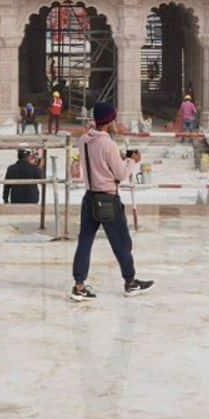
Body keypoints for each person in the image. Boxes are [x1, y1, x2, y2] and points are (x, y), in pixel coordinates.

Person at [70, 101, 154, 301]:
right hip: (107, 199)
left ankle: (79, 285)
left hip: (89, 197)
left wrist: (119, 157)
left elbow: (98, 161)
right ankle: (130, 282)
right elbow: (121, 173)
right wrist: (132, 161)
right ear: (109, 121)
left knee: (85, 242)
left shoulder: (84, 140)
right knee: (121, 242)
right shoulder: (108, 144)